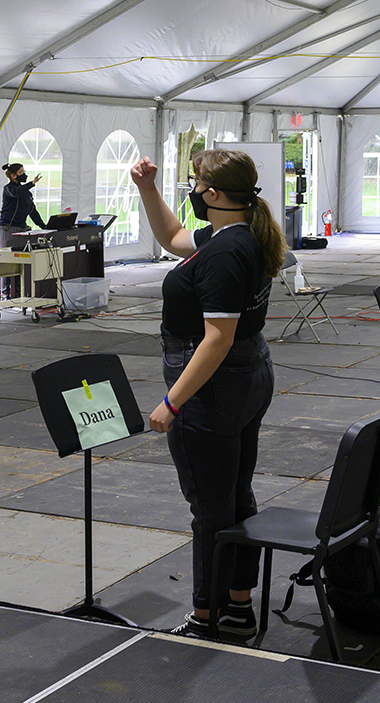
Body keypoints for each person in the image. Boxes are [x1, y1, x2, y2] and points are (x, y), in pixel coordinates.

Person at [129, 149, 284, 639]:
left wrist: (172, 401)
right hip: (248, 374)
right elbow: (174, 238)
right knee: (235, 495)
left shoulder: (224, 253)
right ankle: (237, 605)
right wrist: (147, 189)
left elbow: (216, 338)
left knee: (210, 508)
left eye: (195, 183)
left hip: (216, 382)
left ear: (213, 194)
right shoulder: (241, 234)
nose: (192, 190)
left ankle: (208, 615)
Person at [0, 162, 46, 244]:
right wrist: (32, 183)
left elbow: (32, 211)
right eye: (21, 172)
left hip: (21, 227)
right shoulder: (8, 189)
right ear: (13, 175)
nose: (24, 174)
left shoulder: (27, 193)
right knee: (7, 254)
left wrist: (44, 226)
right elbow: (17, 192)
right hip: (8, 227)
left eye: (24, 171)